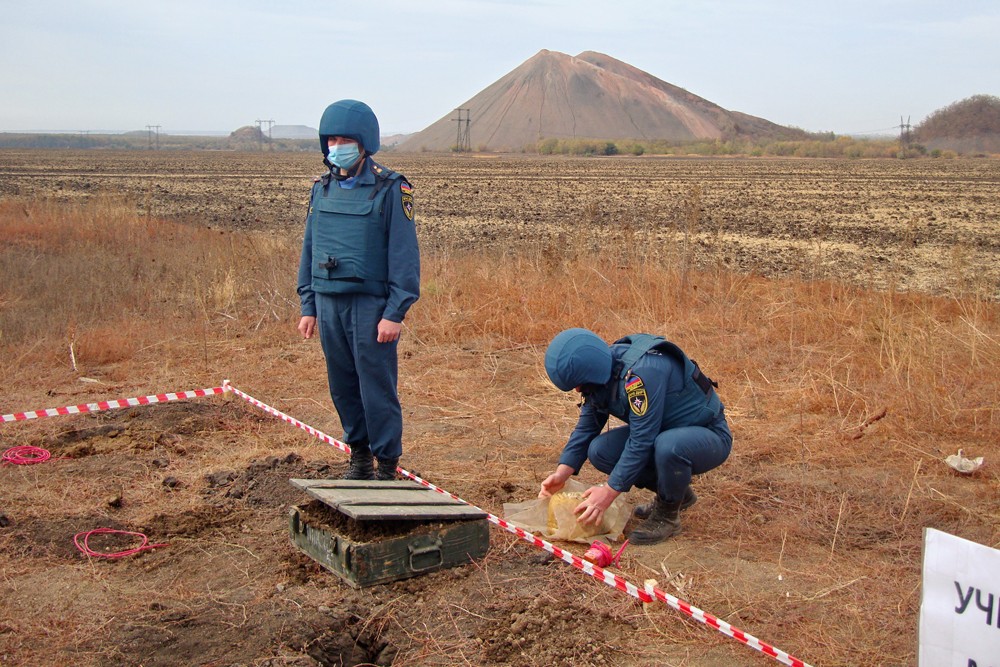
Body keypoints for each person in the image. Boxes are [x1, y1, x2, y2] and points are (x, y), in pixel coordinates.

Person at [296, 99, 420, 481]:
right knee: (343, 385)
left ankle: (385, 465)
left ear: (364, 142)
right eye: (331, 139)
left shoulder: (391, 188)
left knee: (376, 388)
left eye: (345, 139)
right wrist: (308, 304)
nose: (337, 146)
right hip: (330, 302)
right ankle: (359, 457)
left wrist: (394, 312)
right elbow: (310, 247)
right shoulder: (322, 189)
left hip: (371, 306)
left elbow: (403, 254)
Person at [538, 328, 732, 545]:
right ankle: (678, 494)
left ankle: (667, 515)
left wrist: (608, 492)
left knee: (668, 446)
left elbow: (642, 440)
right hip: (662, 431)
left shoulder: (641, 375)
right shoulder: (602, 370)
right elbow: (587, 428)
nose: (576, 390)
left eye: (578, 384)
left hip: (707, 434)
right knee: (600, 451)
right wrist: (562, 473)